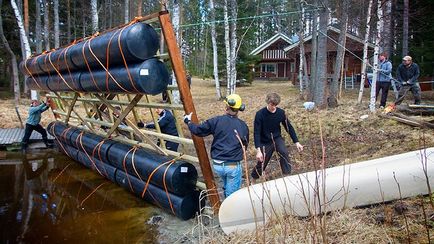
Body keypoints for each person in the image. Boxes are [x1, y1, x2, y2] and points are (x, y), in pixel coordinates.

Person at [184, 94, 249, 197]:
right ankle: (229, 209)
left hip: (218, 165)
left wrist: (188, 121)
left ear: (226, 107)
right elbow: (245, 145)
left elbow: (198, 130)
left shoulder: (216, 121)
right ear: (239, 109)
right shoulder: (243, 126)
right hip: (232, 166)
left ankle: (226, 200)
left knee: (226, 186)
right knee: (232, 195)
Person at [251, 93, 304, 180]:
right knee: (262, 160)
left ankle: (287, 176)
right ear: (268, 102)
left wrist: (296, 142)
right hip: (265, 140)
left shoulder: (281, 113)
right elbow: (256, 133)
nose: (274, 107)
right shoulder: (260, 114)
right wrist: (258, 150)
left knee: (284, 152)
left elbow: (289, 127)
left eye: (276, 105)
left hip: (277, 138)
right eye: (272, 105)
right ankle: (254, 178)